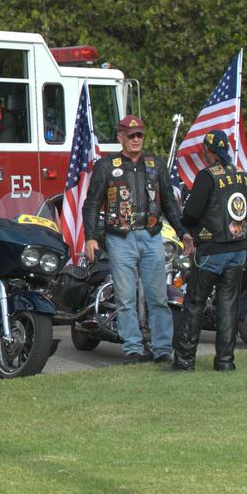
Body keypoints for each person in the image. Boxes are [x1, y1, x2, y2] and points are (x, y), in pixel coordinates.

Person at [82, 115, 192, 365]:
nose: (136, 139)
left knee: (158, 296)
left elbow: (169, 204)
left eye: (139, 135)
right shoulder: (106, 166)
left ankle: (162, 347)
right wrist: (90, 237)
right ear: (120, 136)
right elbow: (91, 204)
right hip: (120, 237)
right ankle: (133, 348)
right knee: (125, 296)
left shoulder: (156, 164)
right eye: (130, 135)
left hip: (152, 235)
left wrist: (182, 231)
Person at [172, 130, 247, 372]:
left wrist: (187, 227)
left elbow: (192, 212)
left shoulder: (207, 176)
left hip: (211, 249)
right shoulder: (243, 175)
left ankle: (185, 361)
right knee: (228, 305)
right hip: (238, 248)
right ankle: (225, 362)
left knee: (195, 303)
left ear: (208, 151)